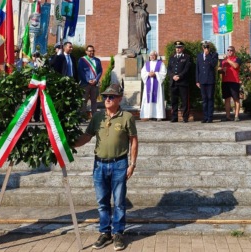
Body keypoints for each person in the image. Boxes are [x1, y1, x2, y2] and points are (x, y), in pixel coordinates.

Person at [73, 84, 138, 251]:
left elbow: (133, 140)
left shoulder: (127, 117)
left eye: (111, 97)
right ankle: (105, 233)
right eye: (105, 96)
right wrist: (67, 144)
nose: (107, 99)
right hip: (99, 164)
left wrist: (132, 164)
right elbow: (87, 137)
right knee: (102, 201)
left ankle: (118, 234)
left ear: (119, 99)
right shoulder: (98, 117)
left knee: (119, 201)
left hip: (119, 164)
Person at [167, 41, 191, 123]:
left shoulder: (187, 57)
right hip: (173, 82)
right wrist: (172, 76)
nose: (178, 49)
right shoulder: (172, 57)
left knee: (185, 101)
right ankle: (174, 117)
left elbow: (186, 69)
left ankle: (185, 117)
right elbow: (169, 69)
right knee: (174, 101)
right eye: (177, 47)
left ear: (182, 48)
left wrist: (179, 76)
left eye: (179, 47)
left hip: (183, 82)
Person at [140, 50, 167, 121]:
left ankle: (158, 115)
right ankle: (148, 115)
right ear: (149, 56)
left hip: (157, 83)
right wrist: (148, 74)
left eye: (153, 55)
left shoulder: (160, 63)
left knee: (158, 98)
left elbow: (163, 73)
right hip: (148, 82)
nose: (152, 56)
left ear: (156, 56)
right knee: (148, 98)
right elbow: (143, 73)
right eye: (151, 55)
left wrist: (155, 74)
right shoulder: (146, 64)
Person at [195, 41, 218, 123]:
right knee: (204, 99)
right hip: (202, 80)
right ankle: (205, 117)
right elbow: (197, 69)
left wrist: (208, 55)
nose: (206, 49)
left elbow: (213, 64)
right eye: (205, 47)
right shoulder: (199, 56)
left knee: (210, 98)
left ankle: (210, 117)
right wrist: (197, 80)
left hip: (210, 80)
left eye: (207, 47)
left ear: (209, 48)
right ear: (202, 48)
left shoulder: (213, 55)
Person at [78, 45, 103, 119]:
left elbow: (100, 71)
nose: (92, 52)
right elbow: (80, 71)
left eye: (93, 51)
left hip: (94, 84)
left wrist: (96, 80)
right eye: (90, 51)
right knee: (84, 101)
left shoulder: (97, 60)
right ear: (86, 52)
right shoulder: (82, 60)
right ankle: (82, 117)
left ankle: (94, 117)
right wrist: (88, 80)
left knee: (94, 101)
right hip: (85, 83)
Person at [218, 46, 242, 122]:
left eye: (231, 50)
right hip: (225, 81)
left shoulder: (237, 59)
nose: (229, 51)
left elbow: (235, 66)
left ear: (234, 51)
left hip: (234, 81)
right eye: (228, 50)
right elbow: (218, 69)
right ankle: (228, 116)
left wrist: (227, 60)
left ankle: (236, 116)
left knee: (236, 99)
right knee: (227, 99)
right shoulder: (223, 61)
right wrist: (222, 69)